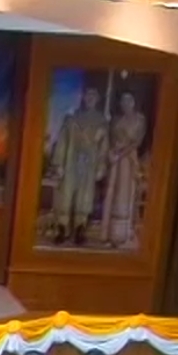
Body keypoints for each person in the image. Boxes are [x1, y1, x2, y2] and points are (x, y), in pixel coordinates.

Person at [49, 85, 109, 247]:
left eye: (93, 95)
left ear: (97, 99)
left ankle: (79, 229)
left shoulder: (101, 122)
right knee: (66, 195)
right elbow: (62, 141)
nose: (90, 98)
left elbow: (103, 147)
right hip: (71, 161)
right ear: (83, 97)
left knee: (85, 197)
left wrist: (101, 166)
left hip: (89, 164)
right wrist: (59, 164)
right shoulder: (72, 119)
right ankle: (62, 229)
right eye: (88, 95)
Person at [103, 91, 147, 248]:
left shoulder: (140, 120)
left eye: (128, 100)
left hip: (129, 159)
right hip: (115, 160)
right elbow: (111, 139)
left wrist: (121, 154)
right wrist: (111, 153)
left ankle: (124, 235)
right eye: (123, 101)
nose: (125, 103)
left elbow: (136, 142)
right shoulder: (116, 120)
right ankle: (110, 235)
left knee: (126, 194)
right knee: (113, 193)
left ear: (134, 102)